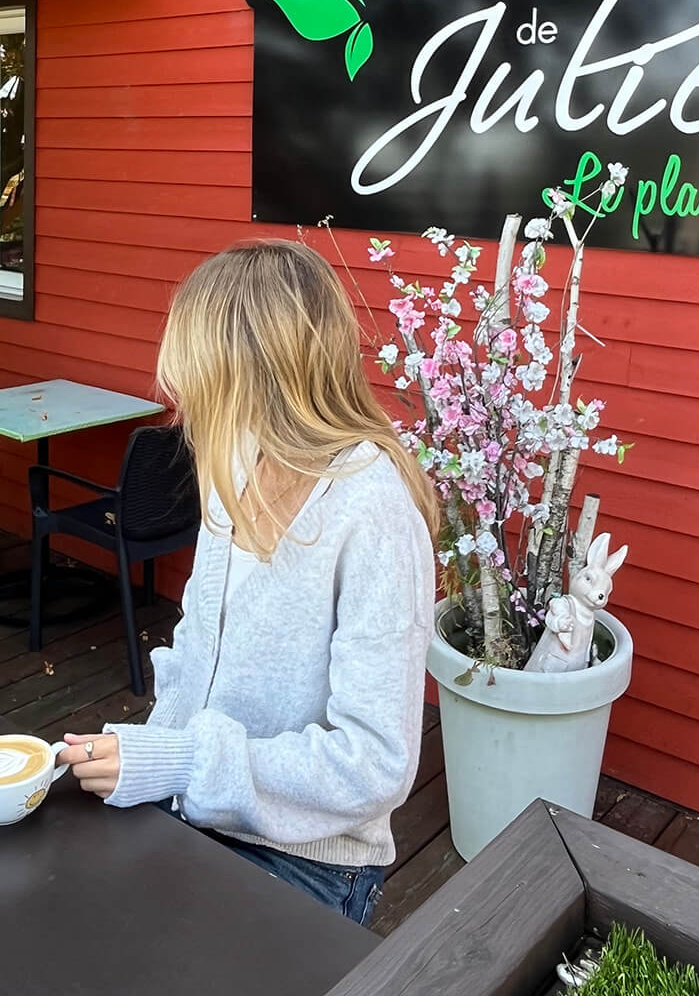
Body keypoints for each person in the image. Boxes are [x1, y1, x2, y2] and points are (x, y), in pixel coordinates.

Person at [57, 240, 438, 926]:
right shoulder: (236, 462)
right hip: (192, 806)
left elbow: (375, 764)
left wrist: (182, 762)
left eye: (202, 379)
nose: (185, 404)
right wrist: (149, 759)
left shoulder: (375, 512)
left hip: (307, 858)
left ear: (257, 374)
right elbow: (197, 640)